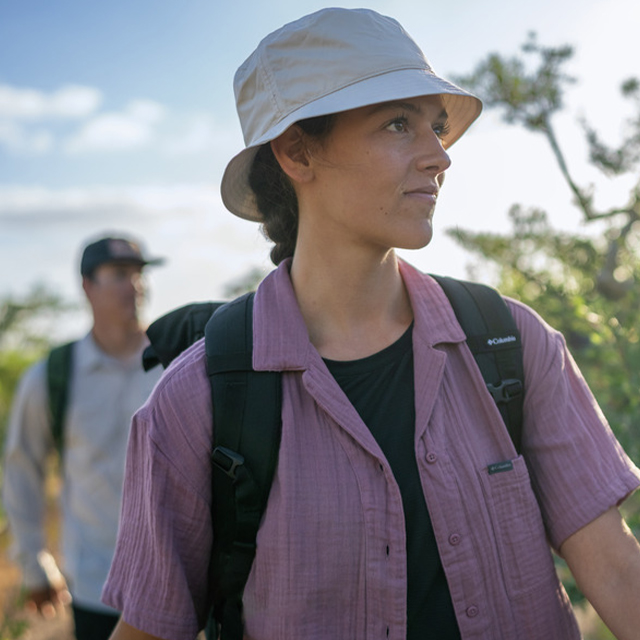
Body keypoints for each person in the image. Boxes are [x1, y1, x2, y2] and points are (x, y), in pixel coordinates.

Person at [103, 8, 640, 640]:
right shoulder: (197, 401)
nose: (439, 156)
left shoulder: (510, 345)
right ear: (297, 151)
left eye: (436, 126)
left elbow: (617, 572)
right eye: (397, 124)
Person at [3, 234, 165, 640]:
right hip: (97, 585)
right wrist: (33, 563)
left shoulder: (177, 363)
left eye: (139, 274)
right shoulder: (52, 376)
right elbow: (23, 469)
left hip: (181, 584)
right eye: (119, 275)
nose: (135, 285)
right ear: (86, 286)